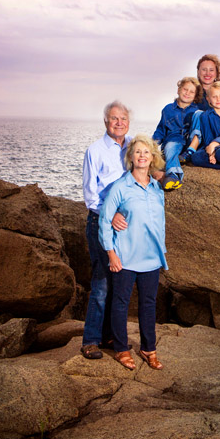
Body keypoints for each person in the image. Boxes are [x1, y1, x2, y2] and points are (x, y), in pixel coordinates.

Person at [99, 135, 168, 371]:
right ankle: (121, 349)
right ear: (131, 157)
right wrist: (112, 254)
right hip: (125, 258)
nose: (141, 156)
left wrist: (162, 254)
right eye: (137, 152)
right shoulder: (120, 187)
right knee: (120, 304)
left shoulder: (157, 188)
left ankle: (149, 348)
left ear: (152, 158)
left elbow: (159, 224)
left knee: (148, 305)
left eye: (146, 152)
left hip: (151, 259)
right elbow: (104, 221)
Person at [80, 100, 132, 360]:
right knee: (101, 283)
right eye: (114, 118)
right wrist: (109, 216)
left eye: (123, 118)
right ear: (106, 122)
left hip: (125, 225)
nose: (119, 122)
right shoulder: (96, 150)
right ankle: (90, 340)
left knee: (119, 281)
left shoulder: (134, 146)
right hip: (101, 222)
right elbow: (90, 195)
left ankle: (111, 335)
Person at [153, 76, 201, 190]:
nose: (187, 93)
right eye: (185, 89)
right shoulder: (168, 109)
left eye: (191, 92)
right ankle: (174, 175)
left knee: (200, 115)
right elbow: (161, 129)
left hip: (190, 143)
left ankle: (189, 153)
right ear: (179, 90)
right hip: (173, 141)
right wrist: (152, 145)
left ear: (195, 96)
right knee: (170, 147)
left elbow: (199, 130)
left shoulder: (195, 110)